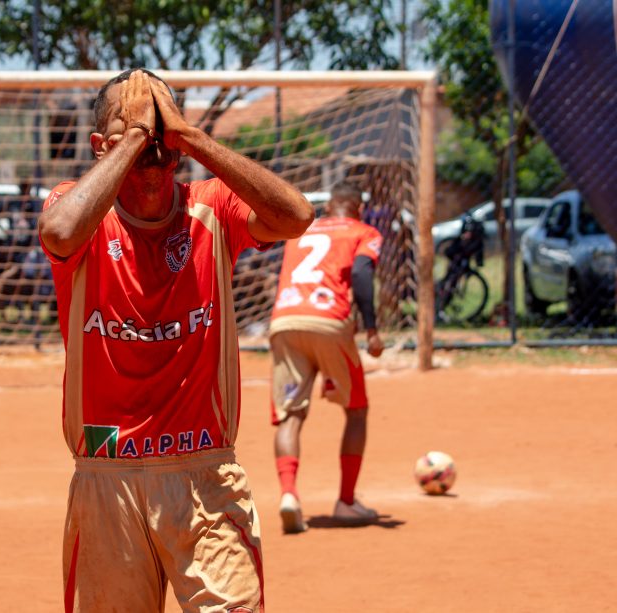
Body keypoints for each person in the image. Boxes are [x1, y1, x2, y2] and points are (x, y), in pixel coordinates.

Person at [38, 69, 312, 611]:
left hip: (204, 473)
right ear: (100, 147)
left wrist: (192, 138)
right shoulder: (75, 207)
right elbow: (60, 233)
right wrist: (139, 138)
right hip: (105, 473)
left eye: (160, 124)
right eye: (133, 126)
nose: (152, 140)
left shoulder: (212, 206)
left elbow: (296, 216)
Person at [269, 182, 385, 534]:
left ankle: (289, 495)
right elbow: (363, 274)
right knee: (357, 411)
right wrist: (372, 329)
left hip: (285, 321)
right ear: (358, 208)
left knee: (290, 415)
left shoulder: (300, 232)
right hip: (329, 320)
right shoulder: (364, 231)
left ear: (329, 206)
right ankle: (346, 501)